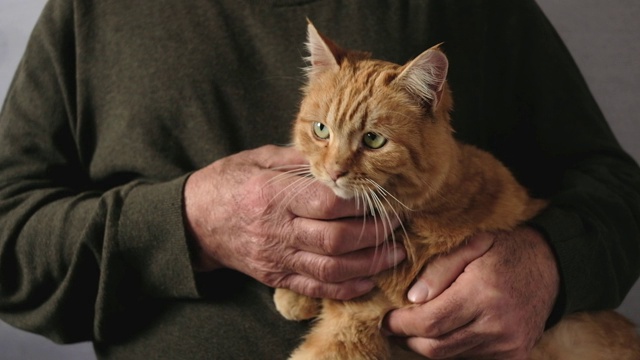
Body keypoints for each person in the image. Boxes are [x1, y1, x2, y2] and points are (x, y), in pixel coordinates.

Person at [0, 0, 638, 359]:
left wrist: (547, 266)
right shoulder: (88, 12)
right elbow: (10, 242)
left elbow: (618, 190)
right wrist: (184, 225)